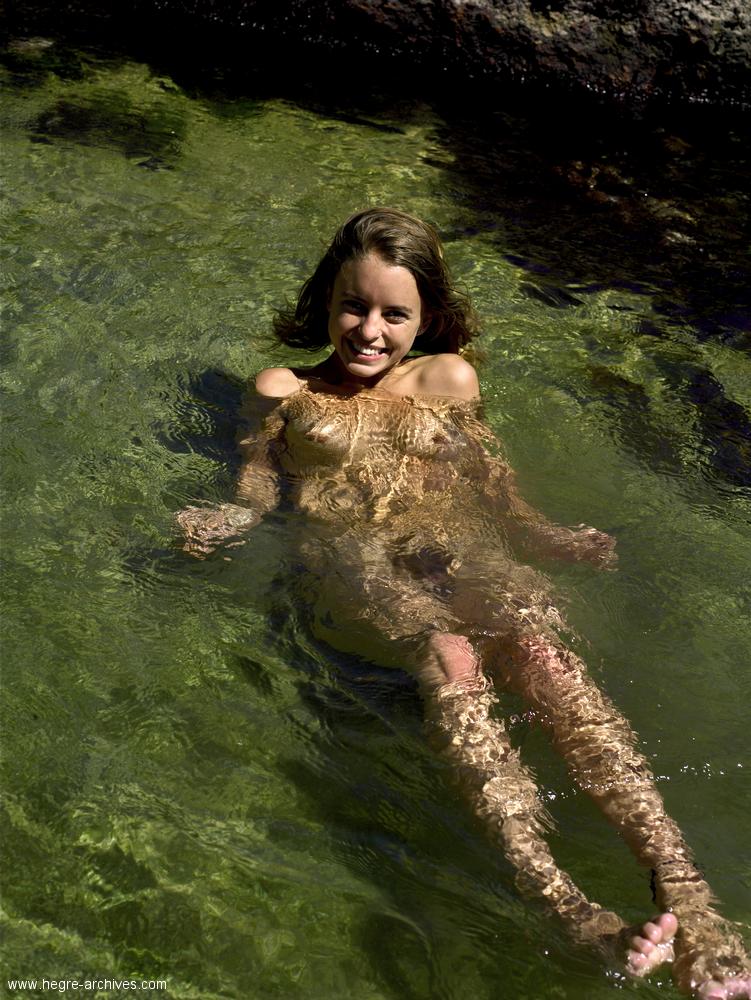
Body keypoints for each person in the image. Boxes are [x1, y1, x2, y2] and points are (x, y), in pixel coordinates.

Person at [177, 207, 750, 999]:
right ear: (325, 299)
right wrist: (232, 517)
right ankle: (563, 905)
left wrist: (542, 534)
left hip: (457, 549)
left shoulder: (449, 380)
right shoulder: (284, 389)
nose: (369, 330)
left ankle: (687, 893)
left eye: (394, 314)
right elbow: (258, 478)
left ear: (426, 316)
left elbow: (492, 480)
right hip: (354, 555)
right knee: (450, 656)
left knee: (542, 652)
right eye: (353, 306)